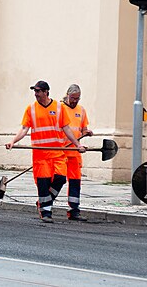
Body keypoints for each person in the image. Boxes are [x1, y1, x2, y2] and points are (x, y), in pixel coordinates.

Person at [5, 80, 86, 223]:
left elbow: (66, 128)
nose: (36, 94)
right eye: (35, 91)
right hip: (40, 154)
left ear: (46, 92)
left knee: (60, 178)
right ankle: (46, 212)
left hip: (57, 152)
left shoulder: (59, 108)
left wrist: (77, 144)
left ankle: (44, 202)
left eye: (38, 91)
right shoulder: (31, 109)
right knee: (43, 183)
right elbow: (24, 129)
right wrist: (13, 141)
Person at [62, 84, 93, 221]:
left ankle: (74, 210)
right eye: (73, 98)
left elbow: (83, 128)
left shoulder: (81, 110)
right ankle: (45, 204)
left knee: (75, 181)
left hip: (75, 152)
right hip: (61, 151)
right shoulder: (60, 108)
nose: (75, 101)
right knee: (58, 179)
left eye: (77, 98)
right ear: (67, 95)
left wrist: (87, 132)